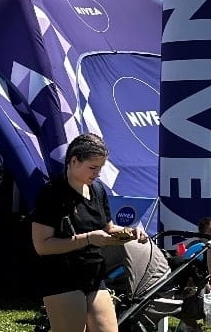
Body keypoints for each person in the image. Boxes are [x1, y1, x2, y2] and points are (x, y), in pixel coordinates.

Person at [30, 133, 144, 332]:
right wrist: (88, 238)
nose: (98, 174)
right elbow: (42, 246)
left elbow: (108, 228)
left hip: (94, 275)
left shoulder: (97, 190)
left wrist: (130, 232)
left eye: (100, 168)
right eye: (93, 168)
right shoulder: (51, 194)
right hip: (61, 277)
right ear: (74, 161)